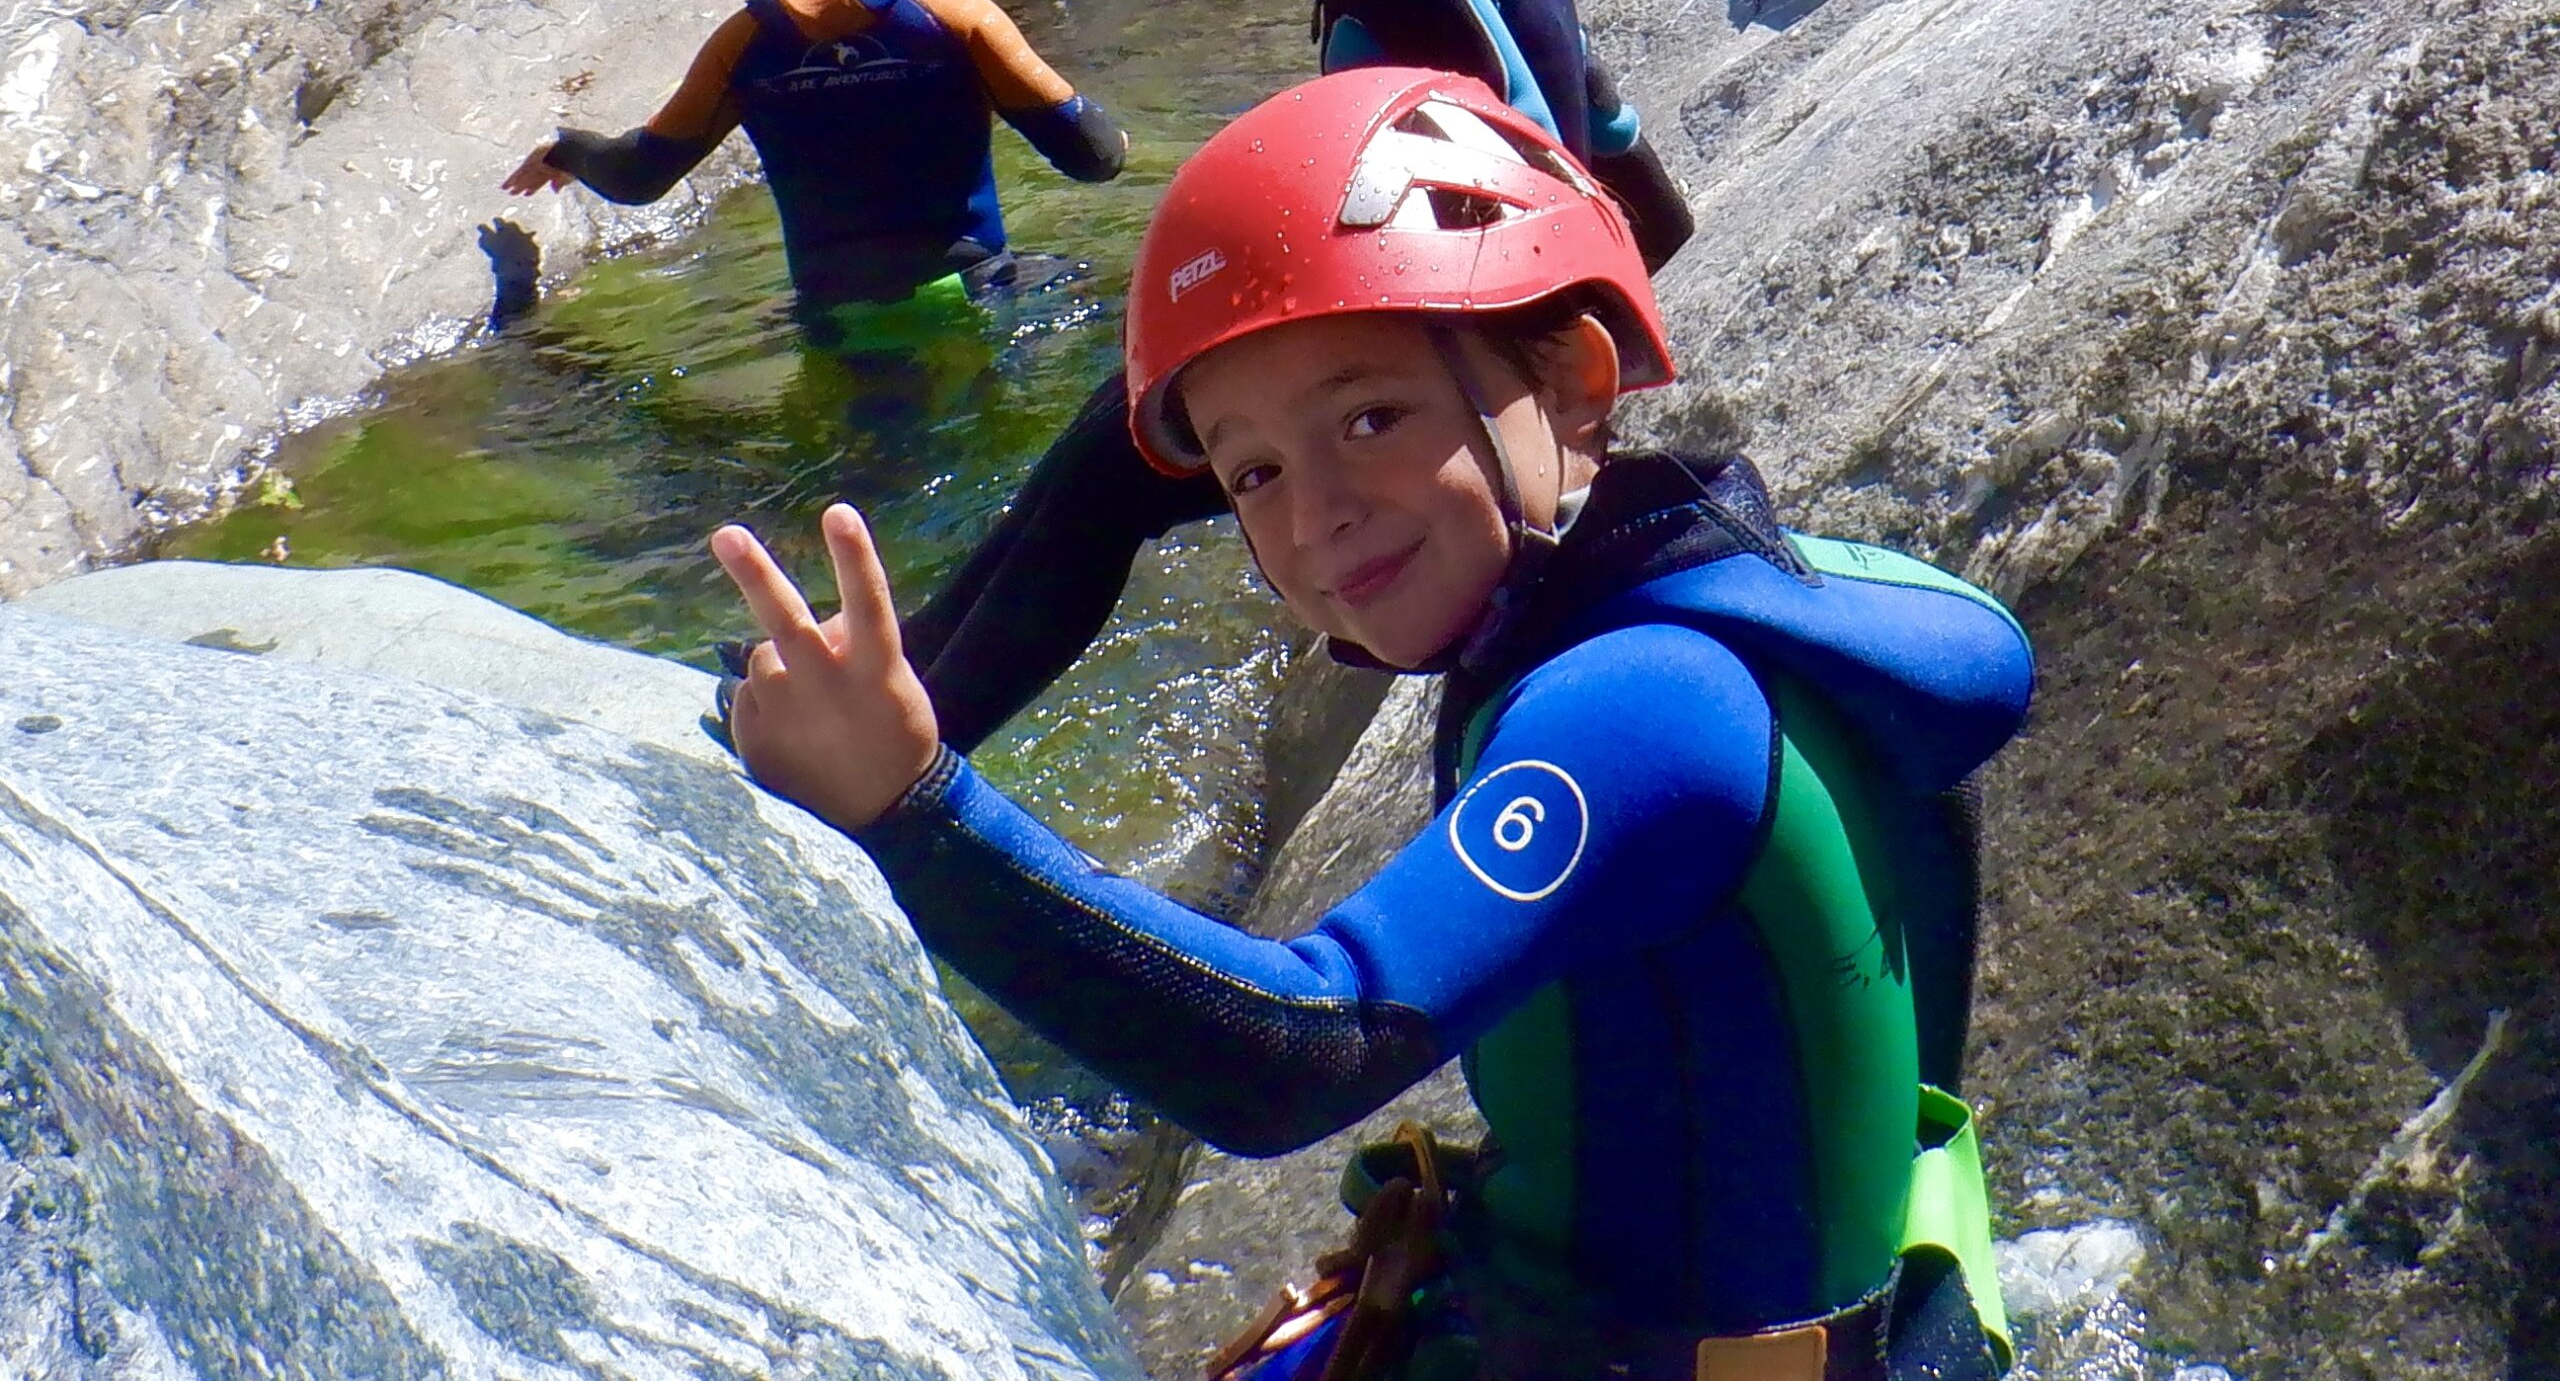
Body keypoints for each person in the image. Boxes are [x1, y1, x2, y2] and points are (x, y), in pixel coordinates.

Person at [711, 68, 2032, 1380]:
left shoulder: (1647, 705)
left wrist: (913, 805)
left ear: (1576, 377)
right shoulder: (1741, 594)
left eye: (1372, 417)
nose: (1314, 517)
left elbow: (1306, 1048)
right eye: (1256, 473)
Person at [899, 0, 1698, 754]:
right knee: (1091, 464)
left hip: (1432, 308)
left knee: (1095, 490)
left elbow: (1484, 120)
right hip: (1498, 285)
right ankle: (891, 665)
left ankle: (901, 747)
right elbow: (1591, 116)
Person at [502, 0, 1127, 316]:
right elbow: (1093, 157)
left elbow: (637, 177)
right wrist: (1113, 134)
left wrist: (569, 151)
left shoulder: (745, 36)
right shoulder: (957, 17)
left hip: (831, 313)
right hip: (973, 295)